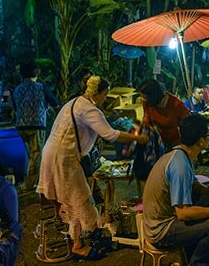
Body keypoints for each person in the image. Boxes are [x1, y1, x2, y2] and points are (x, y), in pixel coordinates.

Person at [36, 76, 149, 260]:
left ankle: (83, 236)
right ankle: (77, 246)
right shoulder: (88, 109)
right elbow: (110, 135)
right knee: (77, 200)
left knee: (73, 199)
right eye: (105, 94)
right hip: (64, 159)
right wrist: (138, 138)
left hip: (53, 154)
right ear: (97, 93)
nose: (106, 98)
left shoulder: (75, 102)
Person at [142, 114, 209, 266]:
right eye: (208, 134)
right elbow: (183, 213)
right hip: (161, 230)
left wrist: (206, 191)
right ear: (201, 141)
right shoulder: (180, 166)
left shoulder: (179, 153)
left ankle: (193, 253)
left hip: (164, 218)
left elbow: (191, 184)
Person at [12, 61, 61, 191]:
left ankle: (33, 180)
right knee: (36, 155)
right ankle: (29, 185)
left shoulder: (17, 89)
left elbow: (16, 107)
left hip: (21, 125)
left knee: (31, 155)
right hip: (37, 125)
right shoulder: (41, 87)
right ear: (37, 73)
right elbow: (55, 103)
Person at [139, 79, 190, 148]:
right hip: (160, 142)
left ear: (153, 96)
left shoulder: (176, 105)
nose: (142, 99)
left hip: (177, 143)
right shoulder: (147, 102)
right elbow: (146, 121)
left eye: (145, 97)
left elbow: (189, 125)